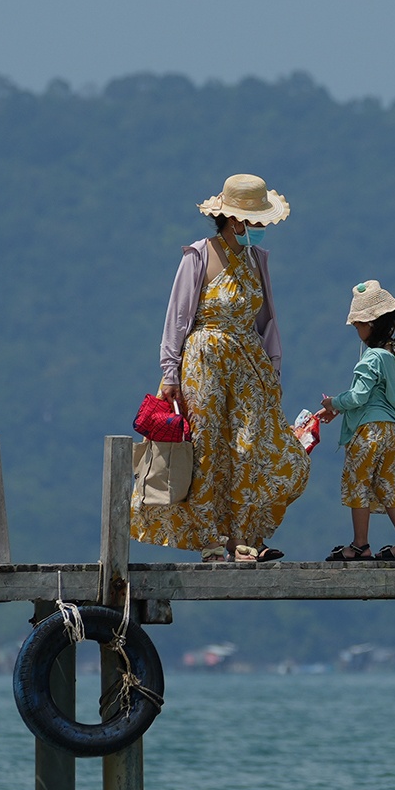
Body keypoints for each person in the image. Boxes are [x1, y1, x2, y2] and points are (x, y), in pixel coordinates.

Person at [132, 173, 309, 562]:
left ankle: (244, 536)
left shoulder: (256, 259)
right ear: (236, 220)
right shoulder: (199, 256)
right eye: (257, 220)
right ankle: (210, 539)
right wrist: (170, 372)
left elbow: (266, 321)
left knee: (249, 445)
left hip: (247, 362)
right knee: (207, 447)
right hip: (205, 359)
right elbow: (178, 318)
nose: (261, 228)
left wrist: (272, 369)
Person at [318, 282, 395, 561]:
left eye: (359, 325)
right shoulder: (392, 358)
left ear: (370, 324)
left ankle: (360, 545)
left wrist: (333, 403)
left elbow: (359, 396)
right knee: (385, 483)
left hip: (369, 432)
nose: (357, 331)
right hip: (393, 430)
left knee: (358, 483)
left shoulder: (371, 357)